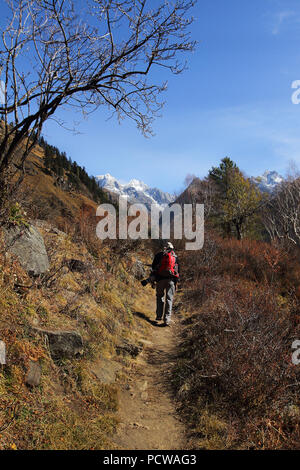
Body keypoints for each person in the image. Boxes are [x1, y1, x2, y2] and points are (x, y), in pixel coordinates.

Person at [151, 242, 180, 326]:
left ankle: (159, 316)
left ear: (164, 248)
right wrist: (176, 283)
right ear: (172, 248)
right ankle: (166, 319)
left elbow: (153, 268)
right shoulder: (175, 257)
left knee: (159, 296)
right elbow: (178, 271)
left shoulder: (159, 255)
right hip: (171, 280)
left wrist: (153, 279)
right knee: (169, 299)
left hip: (160, 279)